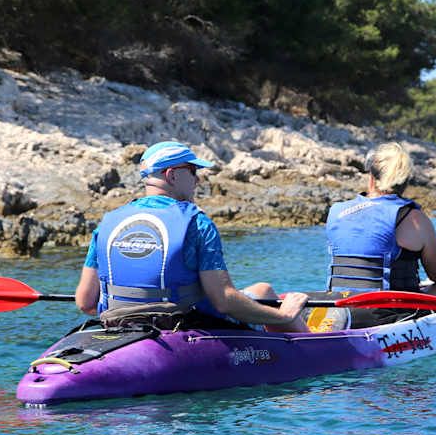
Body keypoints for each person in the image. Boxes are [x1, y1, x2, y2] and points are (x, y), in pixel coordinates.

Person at [75, 141, 309, 332]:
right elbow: (224, 301)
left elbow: (85, 302)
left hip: (118, 323)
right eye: (193, 171)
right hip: (186, 325)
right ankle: (315, 347)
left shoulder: (107, 223)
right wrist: (283, 315)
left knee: (261, 290)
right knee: (266, 293)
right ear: (172, 175)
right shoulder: (197, 223)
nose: (197, 180)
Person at [324, 141, 436, 303]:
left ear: (371, 178)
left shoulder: (336, 211)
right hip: (386, 312)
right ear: (405, 182)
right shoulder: (414, 218)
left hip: (340, 308)